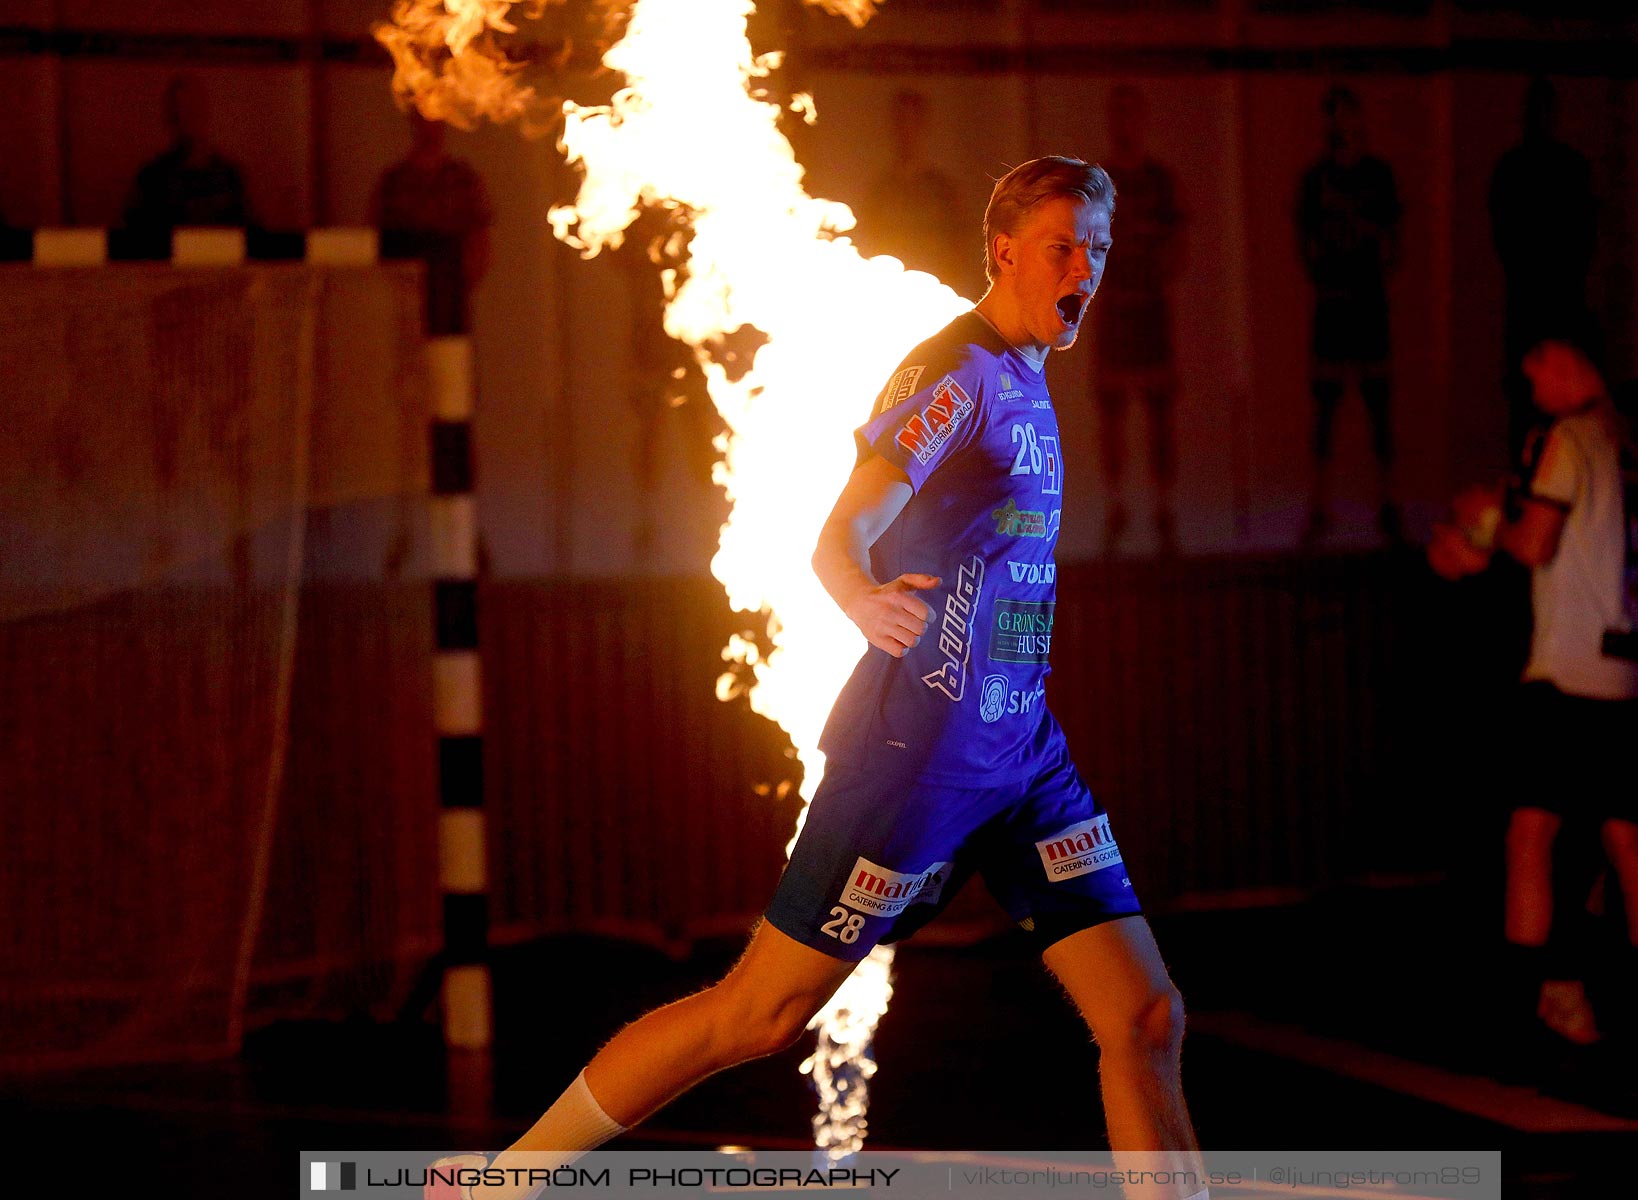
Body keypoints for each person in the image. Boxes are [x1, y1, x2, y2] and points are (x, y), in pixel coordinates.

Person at [425, 157, 1203, 1200]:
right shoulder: (956, 373)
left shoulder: (1029, 373)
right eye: (1065, 245)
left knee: (1147, 1017)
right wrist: (855, 591)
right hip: (916, 758)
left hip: (1023, 759)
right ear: (1003, 251)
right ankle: (504, 1180)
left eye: (1099, 250)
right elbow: (848, 525)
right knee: (759, 1014)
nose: (1086, 268)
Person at [1428, 341, 1638, 1054]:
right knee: (1626, 836)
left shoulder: (1571, 436)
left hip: (1571, 668)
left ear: (1567, 360)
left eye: (1535, 368)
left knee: (1532, 833)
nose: (1532, 386)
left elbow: (1535, 544)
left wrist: (1486, 524)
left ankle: (1530, 1002)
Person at [1296, 85, 1403, 547]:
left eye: (1350, 115)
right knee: (1326, 411)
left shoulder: (1379, 177)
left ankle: (1388, 504)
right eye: (1337, 116)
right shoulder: (1316, 179)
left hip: (1369, 306)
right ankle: (1319, 508)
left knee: (1380, 409)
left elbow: (1394, 238)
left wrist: (1375, 263)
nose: (1344, 126)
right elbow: (1305, 243)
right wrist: (1325, 275)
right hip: (1332, 308)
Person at [1093, 84, 1188, 558]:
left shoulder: (1159, 181)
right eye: (1119, 114)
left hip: (1150, 311)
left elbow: (1178, 244)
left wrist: (1156, 264)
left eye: (1133, 113)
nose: (1126, 123)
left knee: (1158, 415)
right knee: (1112, 419)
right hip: (1112, 313)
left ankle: (1162, 511)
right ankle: (1118, 509)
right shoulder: (1096, 184)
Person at [1488, 77, 1600, 460]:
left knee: (1559, 409)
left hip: (1560, 302)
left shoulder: (1568, 168)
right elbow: (1505, 234)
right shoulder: (1516, 168)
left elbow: (1585, 230)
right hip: (1531, 302)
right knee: (1526, 404)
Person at [371, 107, 494, 337]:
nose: (430, 128)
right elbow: (375, 239)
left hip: (450, 294)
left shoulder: (462, 180)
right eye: (424, 120)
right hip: (403, 297)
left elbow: (480, 240)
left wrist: (462, 284)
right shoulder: (394, 182)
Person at [854, 89, 971, 295]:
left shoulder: (942, 191)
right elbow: (868, 240)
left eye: (912, 122)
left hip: (936, 289)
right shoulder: (881, 192)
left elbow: (959, 245)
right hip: (891, 289)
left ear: (923, 126)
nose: (907, 131)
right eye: (901, 122)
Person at [123, 75, 252, 231]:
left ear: (205, 112)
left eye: (192, 109)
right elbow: (133, 237)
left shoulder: (230, 176)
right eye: (179, 111)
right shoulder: (151, 178)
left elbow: (252, 235)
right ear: (170, 117)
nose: (185, 118)